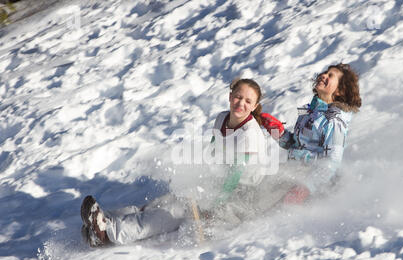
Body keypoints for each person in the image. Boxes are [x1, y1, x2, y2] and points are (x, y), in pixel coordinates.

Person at [80, 78, 269, 247]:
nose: (241, 103)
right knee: (162, 203)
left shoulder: (250, 135)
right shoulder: (222, 118)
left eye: (248, 101)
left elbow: (234, 177)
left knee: (173, 211)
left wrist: (213, 204)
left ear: (254, 106)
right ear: (230, 96)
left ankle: (110, 233)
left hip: (238, 197)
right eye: (238, 97)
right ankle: (104, 222)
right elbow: (214, 153)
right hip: (218, 183)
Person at [259, 63, 362, 205]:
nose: (324, 75)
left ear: (340, 91)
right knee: (261, 191)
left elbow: (332, 162)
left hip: (313, 186)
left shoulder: (334, 121)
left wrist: (306, 188)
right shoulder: (310, 112)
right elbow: (294, 145)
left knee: (269, 211)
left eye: (330, 75)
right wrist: (277, 131)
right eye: (325, 72)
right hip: (294, 174)